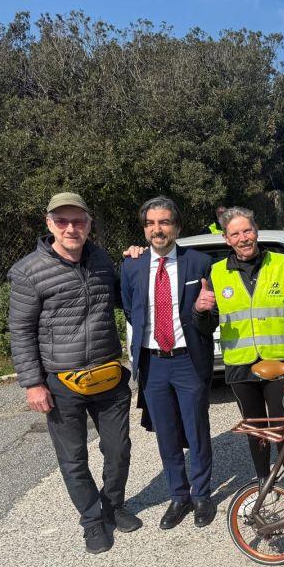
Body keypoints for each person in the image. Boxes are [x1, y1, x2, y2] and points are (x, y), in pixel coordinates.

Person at [8, 192, 140, 554]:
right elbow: (20, 330)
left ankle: (114, 505)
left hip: (109, 375)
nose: (71, 228)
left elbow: (122, 296)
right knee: (73, 458)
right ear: (49, 224)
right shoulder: (27, 271)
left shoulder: (100, 260)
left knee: (118, 450)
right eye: (62, 221)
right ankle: (92, 521)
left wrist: (133, 263)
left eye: (78, 220)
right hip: (60, 381)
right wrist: (33, 383)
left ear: (88, 223)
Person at [120, 196, 216, 530]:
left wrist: (205, 311)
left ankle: (202, 494)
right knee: (167, 434)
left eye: (164, 222)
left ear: (176, 226)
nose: (157, 229)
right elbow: (130, 309)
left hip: (187, 360)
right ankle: (180, 496)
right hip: (153, 364)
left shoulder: (198, 263)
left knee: (196, 430)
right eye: (150, 223)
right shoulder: (131, 266)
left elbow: (210, 319)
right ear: (144, 228)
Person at [193, 207, 284, 489]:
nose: (243, 238)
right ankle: (265, 483)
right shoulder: (217, 273)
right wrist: (201, 312)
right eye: (235, 233)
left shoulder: (281, 263)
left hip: (278, 364)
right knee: (256, 429)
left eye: (247, 230)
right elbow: (206, 327)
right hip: (241, 365)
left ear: (255, 231)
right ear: (227, 239)